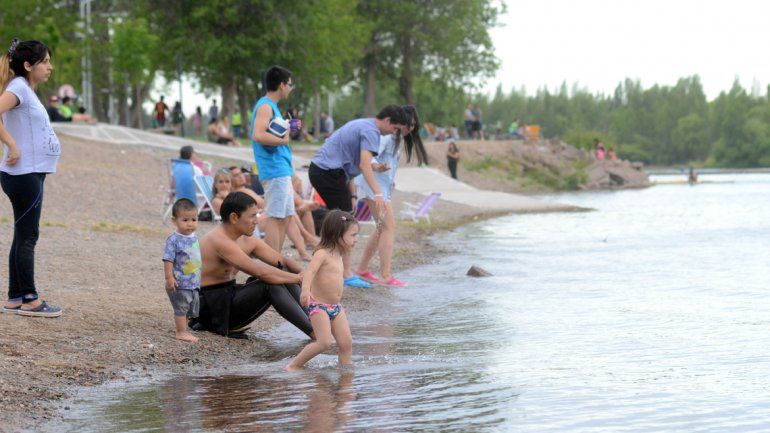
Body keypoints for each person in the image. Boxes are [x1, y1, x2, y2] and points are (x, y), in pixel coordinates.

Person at [309, 104, 408, 288]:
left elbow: (350, 167)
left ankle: (333, 267)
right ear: (387, 121)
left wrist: (353, 196)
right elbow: (364, 165)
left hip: (328, 172)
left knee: (343, 217)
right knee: (344, 222)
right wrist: (378, 193)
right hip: (326, 172)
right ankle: (345, 273)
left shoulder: (365, 125)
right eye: (394, 128)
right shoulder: (372, 131)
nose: (393, 132)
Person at [194, 192, 313, 339]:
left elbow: (282, 261)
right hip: (211, 310)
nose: (256, 221)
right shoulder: (219, 240)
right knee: (270, 284)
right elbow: (262, 273)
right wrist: (299, 279)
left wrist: (306, 273)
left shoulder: (247, 239)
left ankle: (316, 322)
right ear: (234, 218)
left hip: (228, 297)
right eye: (252, 216)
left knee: (283, 270)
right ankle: (315, 334)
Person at [0, 38, 62, 317]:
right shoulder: (18, 89)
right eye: (45, 62)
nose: (50, 67)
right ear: (28, 65)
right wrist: (11, 145)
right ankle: (30, 299)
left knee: (23, 234)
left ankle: (15, 296)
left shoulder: (24, 89)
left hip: (28, 174)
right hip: (24, 174)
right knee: (28, 237)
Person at [354, 105, 426, 287]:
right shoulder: (387, 137)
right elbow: (368, 157)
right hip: (373, 187)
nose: (410, 130)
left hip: (382, 188)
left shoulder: (398, 140)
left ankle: (362, 269)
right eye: (408, 125)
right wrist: (377, 167)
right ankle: (385, 276)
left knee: (381, 228)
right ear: (400, 123)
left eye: (413, 127)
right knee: (388, 227)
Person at [285, 210, 357, 371]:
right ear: (337, 234)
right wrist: (304, 291)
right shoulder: (322, 254)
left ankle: (346, 370)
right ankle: (294, 365)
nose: (356, 239)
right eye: (353, 235)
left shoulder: (339, 254)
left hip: (336, 307)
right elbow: (308, 272)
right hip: (319, 306)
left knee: (346, 343)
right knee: (324, 342)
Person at [251, 65, 301, 256]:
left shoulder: (272, 107)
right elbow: (258, 135)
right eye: (290, 84)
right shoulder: (265, 106)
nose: (290, 88)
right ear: (281, 85)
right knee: (275, 217)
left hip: (281, 168)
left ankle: (276, 260)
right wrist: (285, 138)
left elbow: (271, 132)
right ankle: (271, 263)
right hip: (274, 169)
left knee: (286, 217)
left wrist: (288, 127)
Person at [163, 199, 202, 343]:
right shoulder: (174, 239)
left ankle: (183, 328)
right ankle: (181, 332)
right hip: (179, 283)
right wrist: (169, 278)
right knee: (181, 307)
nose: (190, 223)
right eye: (185, 220)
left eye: (194, 219)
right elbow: (168, 259)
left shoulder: (194, 237)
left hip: (193, 282)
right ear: (175, 221)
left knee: (190, 307)